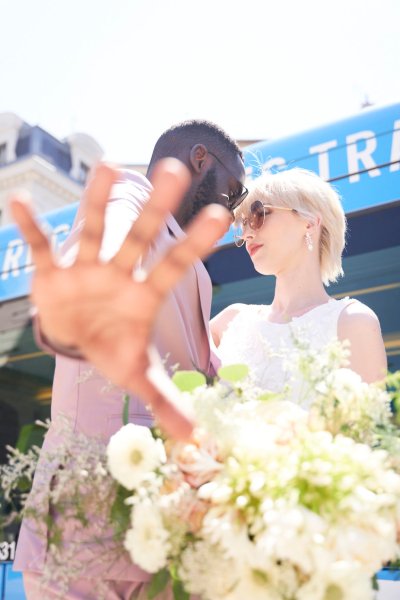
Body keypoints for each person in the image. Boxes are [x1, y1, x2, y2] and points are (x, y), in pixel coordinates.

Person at [11, 120, 246, 599]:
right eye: (234, 189)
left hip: (165, 537)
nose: (234, 206)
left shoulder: (186, 260)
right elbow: (107, 248)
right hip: (86, 530)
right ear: (201, 159)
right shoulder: (127, 194)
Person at [211, 167, 387, 398]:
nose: (246, 234)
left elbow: (365, 429)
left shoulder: (353, 322)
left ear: (310, 222)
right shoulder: (229, 322)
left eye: (259, 214)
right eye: (243, 223)